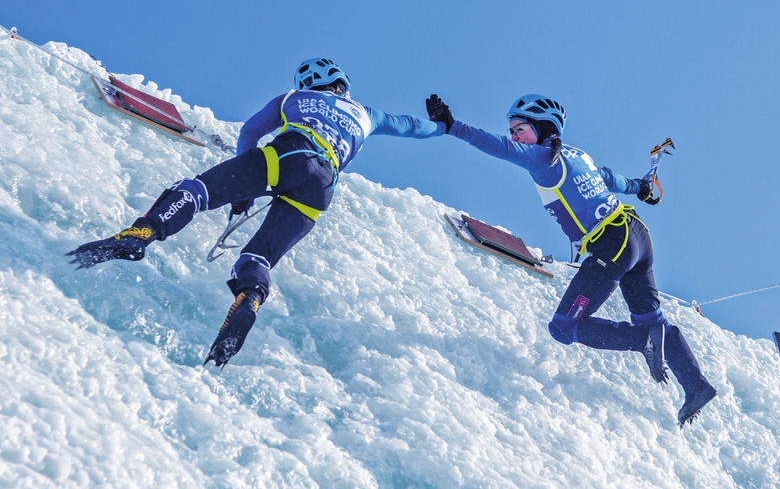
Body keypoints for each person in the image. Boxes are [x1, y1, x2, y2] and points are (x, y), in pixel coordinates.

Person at [67, 58, 444, 367]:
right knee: (257, 256)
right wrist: (442, 124)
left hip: (291, 152)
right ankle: (249, 298)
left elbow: (250, 132)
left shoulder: (293, 97)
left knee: (196, 191)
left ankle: (142, 235)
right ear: (342, 84)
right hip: (323, 187)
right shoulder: (369, 114)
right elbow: (413, 126)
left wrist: (243, 190)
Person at [425, 93, 716, 427]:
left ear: (542, 127)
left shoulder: (542, 159)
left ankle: (641, 341)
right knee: (652, 319)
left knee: (564, 327)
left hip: (612, 242)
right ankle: (696, 386)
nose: (513, 136)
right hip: (637, 235)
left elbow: (497, 148)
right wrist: (640, 188)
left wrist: (453, 126)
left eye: (519, 128)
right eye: (512, 130)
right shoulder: (580, 156)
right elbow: (611, 179)